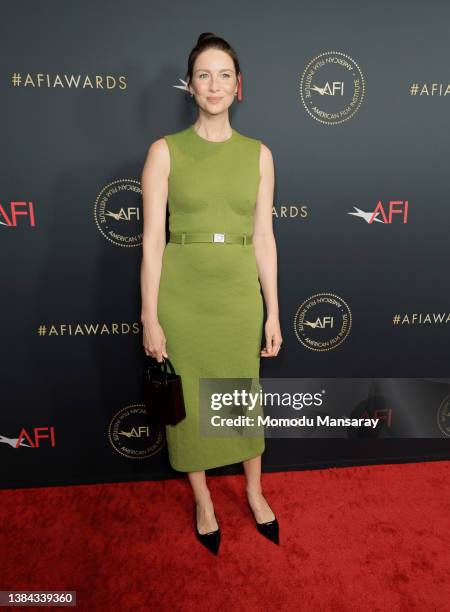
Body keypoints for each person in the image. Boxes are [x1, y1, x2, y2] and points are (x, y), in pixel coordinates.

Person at [140, 32, 282, 555]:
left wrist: (273, 311)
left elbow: (265, 238)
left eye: (225, 75)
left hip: (237, 297)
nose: (214, 84)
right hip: (183, 296)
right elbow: (152, 242)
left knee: (240, 398)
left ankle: (254, 490)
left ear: (238, 86)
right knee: (189, 405)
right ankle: (202, 499)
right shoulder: (164, 151)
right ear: (191, 86)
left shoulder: (260, 155)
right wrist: (149, 317)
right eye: (204, 75)